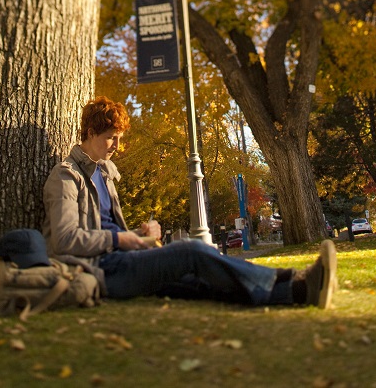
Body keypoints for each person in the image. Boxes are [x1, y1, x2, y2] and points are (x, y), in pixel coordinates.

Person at [42, 96, 337, 308]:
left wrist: (140, 236)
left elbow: (108, 229)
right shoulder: (66, 177)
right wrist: (122, 240)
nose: (118, 147)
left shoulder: (104, 173)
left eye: (120, 138)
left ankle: (299, 291)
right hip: (100, 271)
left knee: (201, 283)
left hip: (121, 262)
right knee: (192, 252)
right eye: (111, 138)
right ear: (90, 133)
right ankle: (287, 277)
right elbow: (65, 240)